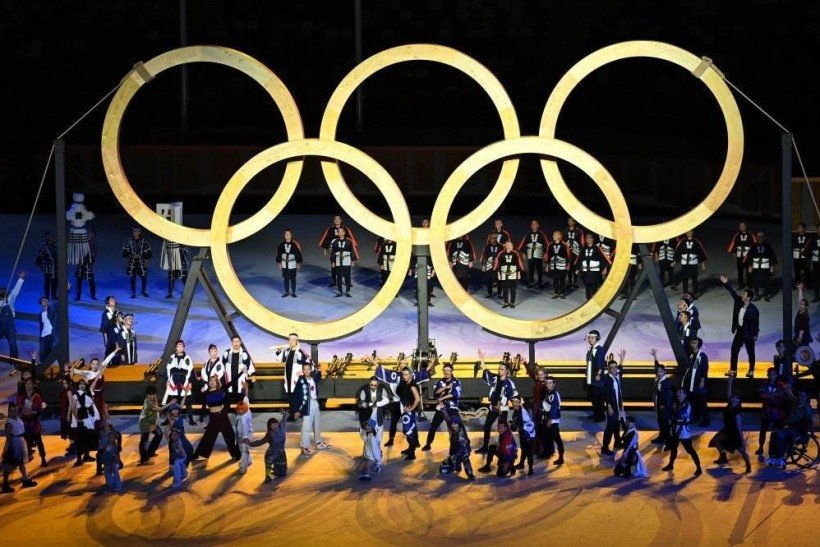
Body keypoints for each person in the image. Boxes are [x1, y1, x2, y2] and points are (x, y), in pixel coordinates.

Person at [709, 372, 752, 473]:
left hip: (734, 432)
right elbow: (728, 392)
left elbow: (738, 427)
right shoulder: (730, 404)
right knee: (716, 441)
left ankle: (748, 464)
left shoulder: (737, 413)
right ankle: (723, 457)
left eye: (736, 399)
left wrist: (741, 438)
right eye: (733, 398)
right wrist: (730, 381)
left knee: (742, 451)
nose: (734, 400)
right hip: (727, 430)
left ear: (738, 401)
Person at [476, 349, 518, 453]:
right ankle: (485, 447)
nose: (500, 370)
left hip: (502, 409)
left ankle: (504, 447)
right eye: (499, 369)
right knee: (486, 427)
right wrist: (482, 358)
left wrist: (515, 410)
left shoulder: (509, 384)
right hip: (492, 408)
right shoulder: (495, 379)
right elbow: (486, 371)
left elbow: (514, 397)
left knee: (503, 429)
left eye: (502, 369)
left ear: (507, 371)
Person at [193, 375, 242, 461]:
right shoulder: (206, 393)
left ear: (217, 382)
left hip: (222, 416)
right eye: (210, 380)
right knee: (207, 436)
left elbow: (232, 382)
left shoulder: (221, 390)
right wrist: (201, 419)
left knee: (230, 436)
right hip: (213, 417)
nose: (212, 382)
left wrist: (241, 372)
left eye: (214, 380)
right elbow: (203, 406)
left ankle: (236, 454)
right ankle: (197, 454)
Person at [719, 275, 759, 378]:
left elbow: (756, 324)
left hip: (749, 332)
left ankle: (751, 370)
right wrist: (726, 283)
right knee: (734, 349)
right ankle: (733, 370)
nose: (742, 295)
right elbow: (732, 292)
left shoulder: (753, 310)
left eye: (744, 294)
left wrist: (755, 334)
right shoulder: (739, 301)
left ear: (748, 298)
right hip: (740, 331)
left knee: (751, 352)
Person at [767, 388, 814, 468]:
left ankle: (780, 456)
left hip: (799, 431)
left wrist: (811, 433)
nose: (800, 398)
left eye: (802, 396)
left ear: (806, 397)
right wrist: (787, 389)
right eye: (799, 396)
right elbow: (791, 396)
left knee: (780, 435)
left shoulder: (806, 409)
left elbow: (809, 423)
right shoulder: (796, 403)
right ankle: (772, 456)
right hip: (791, 428)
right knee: (774, 434)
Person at [290, 362, 330, 456]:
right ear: (303, 371)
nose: (307, 371)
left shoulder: (313, 378)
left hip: (315, 402)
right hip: (307, 405)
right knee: (306, 426)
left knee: (317, 424)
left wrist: (319, 370)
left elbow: (318, 376)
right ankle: (304, 447)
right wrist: (296, 410)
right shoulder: (301, 381)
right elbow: (295, 397)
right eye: (305, 369)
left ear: (310, 370)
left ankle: (319, 443)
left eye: (308, 369)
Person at [662, 388, 703, 477]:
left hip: (683, 430)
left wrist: (670, 409)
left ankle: (699, 467)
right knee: (673, 448)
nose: (678, 395)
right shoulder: (677, 404)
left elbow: (678, 414)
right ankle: (670, 464)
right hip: (675, 429)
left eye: (680, 393)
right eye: (677, 393)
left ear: (685, 395)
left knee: (690, 450)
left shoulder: (686, 405)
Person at [422, 363, 462, 451]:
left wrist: (443, 397)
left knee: (454, 428)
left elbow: (455, 394)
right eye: (445, 370)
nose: (446, 372)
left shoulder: (456, 381)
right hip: (441, 407)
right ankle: (428, 444)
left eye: (448, 370)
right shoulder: (440, 382)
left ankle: (455, 446)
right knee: (433, 427)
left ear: (451, 371)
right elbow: (436, 392)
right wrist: (446, 387)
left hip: (452, 408)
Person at [1, 403, 38, 493]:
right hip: (14, 443)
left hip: (21, 441)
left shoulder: (18, 418)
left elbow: (25, 412)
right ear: (9, 411)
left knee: (21, 462)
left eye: (15, 410)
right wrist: (6, 449)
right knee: (10, 464)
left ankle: (25, 480)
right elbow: (8, 438)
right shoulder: (9, 423)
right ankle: (5, 485)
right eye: (12, 411)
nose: (14, 412)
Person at [243, 411, 289, 483]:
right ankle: (267, 476)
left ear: (277, 423)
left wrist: (285, 414)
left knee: (282, 474)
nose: (274, 426)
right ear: (270, 427)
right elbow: (260, 442)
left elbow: (284, 419)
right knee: (269, 459)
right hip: (272, 453)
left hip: (281, 453)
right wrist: (250, 443)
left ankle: (276, 468)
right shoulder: (269, 435)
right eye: (272, 425)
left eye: (275, 424)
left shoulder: (282, 427)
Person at [319, 215, 358, 288]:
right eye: (335, 219)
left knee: (346, 267)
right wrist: (325, 249)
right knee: (334, 266)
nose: (337, 220)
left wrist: (353, 247)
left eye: (338, 219)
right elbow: (326, 239)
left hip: (344, 251)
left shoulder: (345, 229)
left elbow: (350, 239)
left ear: (341, 220)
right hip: (333, 250)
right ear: (334, 221)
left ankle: (347, 282)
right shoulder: (330, 229)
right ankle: (334, 281)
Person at [162, 340, 195, 424]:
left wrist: (190, 382)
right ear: (176, 347)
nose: (180, 348)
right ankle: (167, 420)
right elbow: (168, 369)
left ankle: (191, 420)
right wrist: (167, 381)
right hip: (174, 382)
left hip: (184, 381)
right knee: (171, 402)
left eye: (182, 346)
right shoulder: (172, 357)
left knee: (187, 402)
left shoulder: (187, 358)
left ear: (183, 347)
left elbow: (191, 370)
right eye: (178, 346)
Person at [17, 378, 47, 467]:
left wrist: (31, 412)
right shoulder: (22, 396)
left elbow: (38, 410)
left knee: (39, 442)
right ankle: (27, 456)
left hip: (34, 423)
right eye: (27, 383)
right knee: (25, 443)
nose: (28, 385)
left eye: (30, 383)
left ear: (33, 385)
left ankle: (43, 459)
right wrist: (26, 411)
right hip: (25, 424)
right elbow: (19, 409)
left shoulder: (37, 397)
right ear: (25, 385)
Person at [756, 367, 786, 457]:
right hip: (767, 411)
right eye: (769, 373)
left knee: (780, 429)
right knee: (763, 430)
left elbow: (782, 394)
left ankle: (782, 447)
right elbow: (761, 395)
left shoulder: (780, 385)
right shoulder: (763, 384)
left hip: (777, 411)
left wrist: (768, 395)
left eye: (773, 373)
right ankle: (761, 447)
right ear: (767, 375)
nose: (771, 375)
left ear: (776, 375)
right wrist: (775, 395)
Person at [356, 376, 392, 449]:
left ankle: (377, 448)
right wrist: (369, 404)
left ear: (378, 384)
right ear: (369, 384)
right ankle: (368, 447)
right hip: (367, 414)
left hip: (377, 415)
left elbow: (387, 400)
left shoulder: (382, 390)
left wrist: (376, 404)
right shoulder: (364, 390)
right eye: (371, 385)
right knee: (364, 434)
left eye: (375, 385)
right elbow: (361, 403)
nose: (373, 387)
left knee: (378, 434)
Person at [71, 377, 100, 467]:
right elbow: (73, 408)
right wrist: (77, 419)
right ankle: (79, 458)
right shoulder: (75, 395)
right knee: (79, 439)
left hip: (87, 418)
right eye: (80, 384)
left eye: (83, 384)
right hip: (79, 418)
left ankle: (86, 455)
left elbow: (91, 406)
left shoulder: (88, 394)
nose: (82, 386)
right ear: (78, 386)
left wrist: (94, 416)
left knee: (87, 437)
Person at [681, 337, 710, 426]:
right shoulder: (692, 355)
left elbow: (704, 369)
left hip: (698, 384)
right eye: (692, 343)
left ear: (698, 345)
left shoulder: (702, 356)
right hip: (692, 384)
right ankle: (696, 418)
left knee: (701, 403)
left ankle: (706, 420)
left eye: (694, 343)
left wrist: (702, 381)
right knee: (693, 402)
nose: (692, 345)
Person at [601, 354, 626, 455]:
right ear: (608, 369)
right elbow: (606, 393)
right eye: (611, 368)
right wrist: (609, 406)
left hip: (619, 405)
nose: (614, 369)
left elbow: (621, 370)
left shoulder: (617, 376)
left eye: (615, 367)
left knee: (617, 424)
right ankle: (605, 447)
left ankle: (617, 442)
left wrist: (621, 360)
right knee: (610, 427)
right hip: (612, 406)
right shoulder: (607, 378)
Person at [395, 367, 422, 460]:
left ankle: (412, 453)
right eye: (403, 374)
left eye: (406, 374)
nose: (404, 376)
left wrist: (411, 410)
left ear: (411, 374)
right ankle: (410, 448)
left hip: (409, 412)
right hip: (404, 410)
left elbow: (417, 399)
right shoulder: (404, 383)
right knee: (407, 430)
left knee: (410, 431)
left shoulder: (412, 385)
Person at [650, 350, 674, 449]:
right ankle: (661, 437)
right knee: (660, 422)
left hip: (664, 408)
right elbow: (657, 366)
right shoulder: (659, 380)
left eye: (661, 371)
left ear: (665, 372)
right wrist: (655, 357)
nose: (658, 373)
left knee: (665, 424)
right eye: (658, 371)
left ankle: (669, 443)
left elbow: (669, 396)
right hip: (658, 406)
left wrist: (664, 406)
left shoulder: (665, 382)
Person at [672, 230, 708, 298]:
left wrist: (703, 264)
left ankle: (695, 293)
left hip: (693, 263)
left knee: (694, 278)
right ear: (685, 233)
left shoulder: (696, 241)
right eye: (688, 232)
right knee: (684, 278)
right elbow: (677, 251)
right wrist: (674, 262)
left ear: (693, 232)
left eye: (691, 232)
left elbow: (701, 252)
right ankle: (685, 293)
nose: (689, 233)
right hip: (685, 263)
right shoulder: (682, 241)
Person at [439, 412, 475, 480]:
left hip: (464, 450)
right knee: (448, 460)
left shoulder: (460, 435)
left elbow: (463, 450)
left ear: (458, 424)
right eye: (452, 424)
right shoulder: (455, 429)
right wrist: (443, 410)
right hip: (456, 448)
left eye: (455, 424)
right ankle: (457, 467)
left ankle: (470, 474)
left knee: (464, 459)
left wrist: (454, 456)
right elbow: (448, 420)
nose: (453, 425)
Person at [523, 361, 548, 457]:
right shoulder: (537, 381)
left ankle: (543, 450)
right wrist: (524, 362)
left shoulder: (547, 383)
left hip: (542, 408)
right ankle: (537, 449)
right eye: (539, 374)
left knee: (542, 428)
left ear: (545, 374)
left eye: (542, 374)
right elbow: (530, 372)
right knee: (536, 428)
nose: (540, 376)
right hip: (535, 407)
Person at [575, 233, 610, 300]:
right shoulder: (583, 249)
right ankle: (588, 300)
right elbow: (580, 259)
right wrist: (577, 268)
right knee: (587, 286)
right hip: (586, 271)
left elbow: (602, 258)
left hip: (594, 272)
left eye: (589, 238)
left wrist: (604, 268)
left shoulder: (597, 248)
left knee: (594, 285)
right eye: (587, 238)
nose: (588, 239)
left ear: (593, 239)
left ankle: (593, 298)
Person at [745, 232, 777, 301]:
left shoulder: (768, 246)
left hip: (765, 266)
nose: (759, 238)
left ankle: (766, 295)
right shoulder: (753, 246)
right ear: (756, 238)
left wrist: (771, 266)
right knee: (755, 281)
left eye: (761, 237)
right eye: (758, 237)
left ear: (764, 238)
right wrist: (750, 266)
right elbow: (750, 257)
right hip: (756, 266)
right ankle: (757, 295)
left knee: (767, 282)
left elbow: (771, 256)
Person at [221, 336, 255, 403]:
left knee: (241, 403)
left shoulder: (245, 354)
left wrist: (253, 377)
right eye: (234, 341)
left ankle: (243, 412)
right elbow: (222, 366)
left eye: (237, 341)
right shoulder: (226, 353)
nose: (236, 343)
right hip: (229, 382)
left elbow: (250, 366)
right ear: (231, 343)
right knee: (226, 402)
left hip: (241, 382)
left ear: (240, 342)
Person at [122, 226, 153, 298]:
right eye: (134, 231)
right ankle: (133, 293)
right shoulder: (129, 241)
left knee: (144, 276)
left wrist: (146, 263)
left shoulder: (143, 241)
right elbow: (125, 253)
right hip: (132, 262)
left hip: (141, 261)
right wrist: (127, 264)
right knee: (132, 277)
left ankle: (143, 291)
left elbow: (148, 253)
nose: (135, 233)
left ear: (139, 232)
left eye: (137, 231)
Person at [0, 271, 25, 358]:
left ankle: (15, 360)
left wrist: (21, 279)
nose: (3, 295)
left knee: (13, 343)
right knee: (12, 342)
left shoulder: (9, 299)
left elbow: (15, 291)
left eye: (4, 293)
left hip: (9, 326)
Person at [518, 220, 548, 289]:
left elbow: (546, 244)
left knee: (539, 270)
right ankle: (531, 282)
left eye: (535, 224)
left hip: (539, 255)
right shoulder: (528, 234)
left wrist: (546, 253)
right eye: (532, 224)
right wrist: (523, 252)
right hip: (530, 255)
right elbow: (522, 244)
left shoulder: (541, 234)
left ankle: (540, 283)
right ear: (531, 226)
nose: (534, 225)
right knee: (530, 269)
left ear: (538, 225)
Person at [510, 395, 536, 475]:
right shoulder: (516, 410)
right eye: (513, 402)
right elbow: (514, 424)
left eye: (516, 402)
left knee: (529, 452)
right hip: (523, 433)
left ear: (519, 402)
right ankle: (521, 464)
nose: (514, 404)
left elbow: (520, 425)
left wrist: (514, 426)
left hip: (529, 434)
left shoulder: (523, 412)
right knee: (523, 448)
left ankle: (531, 469)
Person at [584, 330, 606, 422]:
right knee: (593, 398)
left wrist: (598, 374)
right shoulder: (591, 349)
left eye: (592, 338)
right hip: (590, 378)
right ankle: (596, 414)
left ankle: (600, 416)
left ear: (597, 338)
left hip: (597, 378)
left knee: (598, 399)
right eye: (589, 338)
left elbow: (601, 363)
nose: (590, 339)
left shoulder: (599, 349)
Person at [494, 240, 523, 308]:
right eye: (510, 246)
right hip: (504, 274)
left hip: (513, 273)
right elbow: (498, 264)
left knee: (513, 289)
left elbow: (518, 264)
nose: (512, 247)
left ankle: (512, 303)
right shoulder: (501, 253)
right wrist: (498, 274)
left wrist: (519, 273)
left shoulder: (515, 253)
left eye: (512, 246)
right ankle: (506, 303)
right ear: (506, 246)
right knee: (505, 289)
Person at [138, 385, 163, 465]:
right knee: (144, 442)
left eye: (154, 394)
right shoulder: (148, 402)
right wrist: (170, 403)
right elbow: (159, 409)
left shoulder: (153, 400)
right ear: (147, 395)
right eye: (151, 395)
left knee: (159, 434)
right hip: (145, 423)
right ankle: (144, 459)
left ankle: (150, 452)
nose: (153, 396)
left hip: (151, 422)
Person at [542, 376, 565, 465]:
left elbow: (555, 408)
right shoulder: (548, 392)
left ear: (554, 384)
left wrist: (550, 419)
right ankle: (548, 453)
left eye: (550, 383)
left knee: (557, 439)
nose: (548, 385)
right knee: (547, 438)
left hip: (552, 421)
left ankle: (561, 458)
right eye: (547, 383)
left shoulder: (555, 394)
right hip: (548, 419)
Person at [545, 230, 572, 299]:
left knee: (562, 280)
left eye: (555, 235)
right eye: (553, 235)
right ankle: (556, 293)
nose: (554, 236)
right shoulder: (550, 245)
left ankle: (562, 293)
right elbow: (548, 255)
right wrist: (547, 265)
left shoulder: (565, 245)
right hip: (553, 265)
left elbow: (568, 256)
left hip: (562, 265)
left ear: (560, 236)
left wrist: (568, 264)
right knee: (555, 280)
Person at [727, 222, 755, 288]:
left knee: (749, 271)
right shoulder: (737, 235)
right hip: (739, 255)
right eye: (740, 226)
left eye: (743, 226)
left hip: (748, 256)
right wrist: (733, 253)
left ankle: (750, 284)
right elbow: (733, 244)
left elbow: (754, 244)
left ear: (746, 226)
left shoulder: (750, 235)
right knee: (740, 271)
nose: (742, 227)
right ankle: (740, 284)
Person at [276, 228, 302, 297]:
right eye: (285, 234)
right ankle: (286, 292)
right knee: (286, 278)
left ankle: (293, 292)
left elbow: (298, 254)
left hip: (292, 264)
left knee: (293, 278)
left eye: (288, 234)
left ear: (291, 235)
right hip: (284, 264)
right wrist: (279, 263)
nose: (287, 235)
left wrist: (298, 263)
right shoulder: (281, 245)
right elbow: (278, 254)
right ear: (284, 235)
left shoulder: (294, 245)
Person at [73, 228, 97, 301]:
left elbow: (94, 254)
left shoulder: (94, 245)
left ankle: (93, 295)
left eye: (92, 235)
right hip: (80, 265)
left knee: (91, 281)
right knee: (79, 281)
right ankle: (78, 296)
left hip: (89, 265)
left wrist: (90, 258)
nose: (90, 236)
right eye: (89, 234)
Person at [35, 231, 58, 300]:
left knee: (55, 282)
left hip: (56, 268)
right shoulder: (43, 248)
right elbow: (39, 257)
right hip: (48, 268)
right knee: (47, 283)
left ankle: (53, 295)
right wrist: (40, 263)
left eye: (50, 236)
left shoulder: (56, 246)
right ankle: (47, 296)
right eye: (48, 237)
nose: (50, 238)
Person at [234, 399, 254, 474]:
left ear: (245, 410)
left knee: (244, 451)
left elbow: (244, 429)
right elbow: (246, 401)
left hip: (245, 436)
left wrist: (244, 438)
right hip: (240, 436)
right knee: (242, 450)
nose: (239, 411)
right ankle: (248, 460)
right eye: (238, 409)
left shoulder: (243, 418)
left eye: (241, 410)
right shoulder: (244, 413)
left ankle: (243, 467)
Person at [480, 232, 503, 298]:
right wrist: (484, 265)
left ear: (496, 239)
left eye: (492, 238)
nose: (491, 239)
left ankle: (499, 293)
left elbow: (502, 255)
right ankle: (489, 293)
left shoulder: (500, 246)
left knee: (499, 280)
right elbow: (484, 256)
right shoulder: (487, 246)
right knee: (489, 280)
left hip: (498, 266)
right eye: (490, 238)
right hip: (489, 266)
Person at [38, 296, 58, 367]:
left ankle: (48, 367)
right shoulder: (41, 314)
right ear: (41, 304)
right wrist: (40, 337)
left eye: (46, 299)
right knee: (42, 354)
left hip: (52, 334)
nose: (45, 300)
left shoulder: (53, 309)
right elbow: (41, 326)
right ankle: (42, 369)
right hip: (44, 336)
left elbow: (59, 302)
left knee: (51, 352)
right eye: (43, 300)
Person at [565, 217, 585, 289]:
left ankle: (575, 282)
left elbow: (582, 242)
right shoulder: (565, 231)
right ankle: (570, 282)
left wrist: (582, 252)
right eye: (569, 221)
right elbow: (563, 241)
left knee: (576, 267)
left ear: (574, 222)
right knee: (569, 267)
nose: (570, 222)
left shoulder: (579, 231)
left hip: (576, 252)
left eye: (571, 221)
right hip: (568, 252)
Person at [791, 223, 812, 288]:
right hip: (796, 256)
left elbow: (810, 247)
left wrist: (808, 254)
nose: (798, 228)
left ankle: (807, 284)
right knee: (797, 271)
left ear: (804, 229)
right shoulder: (794, 237)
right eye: (798, 227)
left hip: (805, 257)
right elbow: (791, 246)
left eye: (800, 227)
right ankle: (797, 284)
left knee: (806, 271)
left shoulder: (809, 237)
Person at [807, 223, 820, 301]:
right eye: (818, 229)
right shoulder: (813, 238)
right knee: (816, 279)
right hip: (816, 262)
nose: (819, 230)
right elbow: (808, 249)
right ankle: (816, 296)